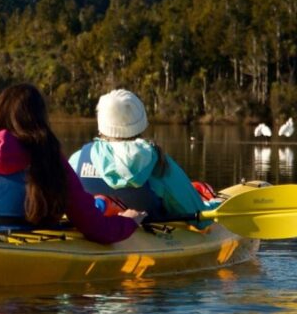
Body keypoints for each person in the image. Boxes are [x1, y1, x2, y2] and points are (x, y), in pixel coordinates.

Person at [0, 83, 144, 243]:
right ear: (39, 118)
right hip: (36, 247)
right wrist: (128, 222)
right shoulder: (50, 158)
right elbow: (94, 227)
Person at [69, 89, 216, 222]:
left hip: (94, 234)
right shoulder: (159, 164)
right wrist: (214, 204)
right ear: (141, 124)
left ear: (101, 123)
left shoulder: (78, 159)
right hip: (150, 236)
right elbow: (199, 217)